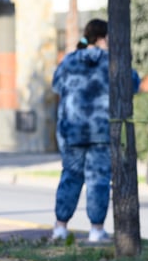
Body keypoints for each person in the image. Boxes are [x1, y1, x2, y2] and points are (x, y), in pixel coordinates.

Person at [50, 18, 140, 243]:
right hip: (102, 130)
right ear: (105, 36)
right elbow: (133, 84)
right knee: (98, 180)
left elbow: (56, 86)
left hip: (72, 130)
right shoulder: (114, 61)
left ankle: (60, 227)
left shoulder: (69, 61)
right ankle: (96, 230)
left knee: (70, 177)